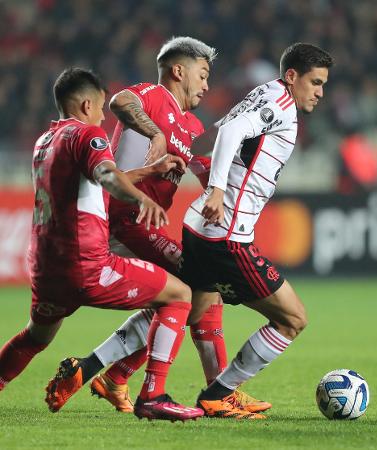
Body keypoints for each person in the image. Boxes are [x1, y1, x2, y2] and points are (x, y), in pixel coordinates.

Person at [44, 37, 269, 418]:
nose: (207, 85)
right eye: (203, 74)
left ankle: (102, 372)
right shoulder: (153, 94)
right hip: (125, 218)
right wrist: (155, 133)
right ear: (178, 71)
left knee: (182, 298)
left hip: (143, 224)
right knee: (202, 287)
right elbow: (120, 102)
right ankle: (218, 391)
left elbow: (197, 166)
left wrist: (219, 182)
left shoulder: (191, 123)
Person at [0, 67, 204, 422]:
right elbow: (108, 176)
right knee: (181, 294)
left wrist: (148, 172)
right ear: (86, 104)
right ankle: (152, 396)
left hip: (47, 268)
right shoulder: (88, 135)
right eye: (99, 110)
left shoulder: (45, 141)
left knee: (35, 337)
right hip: (88, 264)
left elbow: (94, 179)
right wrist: (141, 199)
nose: (103, 119)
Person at [178, 43, 334, 419]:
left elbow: (224, 134)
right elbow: (230, 130)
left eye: (324, 84)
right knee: (292, 319)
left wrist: (205, 171)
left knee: (181, 309)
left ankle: (100, 367)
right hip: (226, 236)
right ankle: (220, 393)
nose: (320, 92)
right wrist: (216, 187)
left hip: (198, 226)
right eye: (315, 82)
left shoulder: (263, 92)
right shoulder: (279, 103)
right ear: (292, 76)